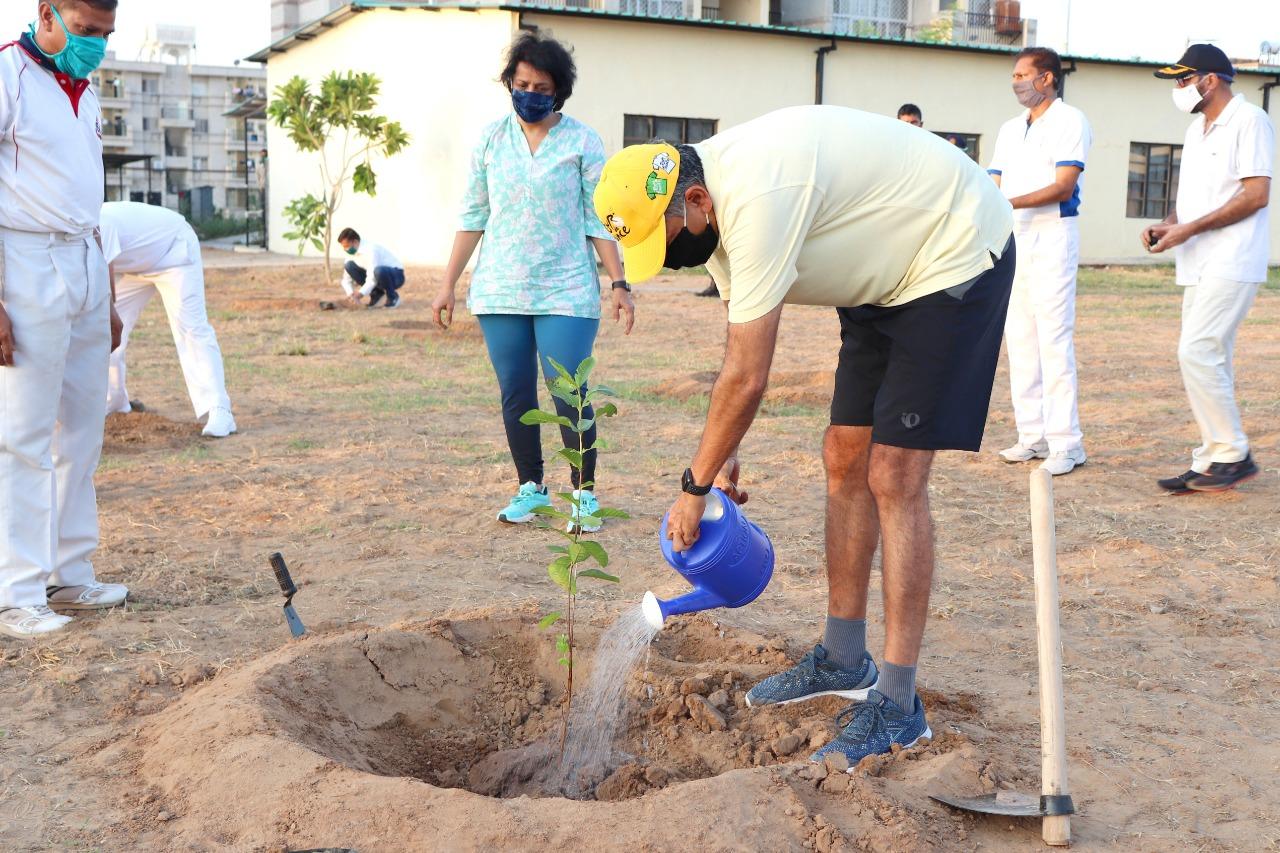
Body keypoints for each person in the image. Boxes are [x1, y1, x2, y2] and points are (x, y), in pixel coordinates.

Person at [594, 105, 1014, 765]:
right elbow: (739, 347)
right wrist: (725, 448)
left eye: (669, 240)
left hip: (952, 247)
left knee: (894, 474)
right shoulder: (714, 206)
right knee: (844, 456)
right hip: (885, 272)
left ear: (697, 199)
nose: (671, 260)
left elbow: (750, 377)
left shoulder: (758, 196)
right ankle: (844, 658)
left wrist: (693, 486)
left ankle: (899, 704)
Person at [431, 32, 634, 532]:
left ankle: (583, 496)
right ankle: (532, 489)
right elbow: (473, 214)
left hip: (566, 287)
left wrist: (619, 284)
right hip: (500, 288)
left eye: (540, 85)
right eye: (520, 83)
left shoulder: (583, 141)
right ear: (509, 83)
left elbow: (597, 219)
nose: (529, 92)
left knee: (569, 391)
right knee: (517, 393)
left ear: (558, 90)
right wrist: (447, 284)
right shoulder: (491, 139)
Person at [0, 0, 128, 640]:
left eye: (104, 35)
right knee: (23, 436)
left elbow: (89, 201)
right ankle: (18, 591)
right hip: (23, 257)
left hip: (83, 259)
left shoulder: (87, 95)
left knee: (81, 427)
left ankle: (70, 570)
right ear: (45, 13)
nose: (94, 45)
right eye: (83, 31)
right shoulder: (6, 76)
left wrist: (104, 292)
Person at [1146, 45, 1272, 494]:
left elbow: (1256, 194)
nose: (1178, 89)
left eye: (1183, 80)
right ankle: (1212, 459)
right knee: (1210, 358)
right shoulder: (1196, 130)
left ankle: (1233, 453)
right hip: (1198, 261)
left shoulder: (1250, 120)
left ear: (1211, 79)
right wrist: (1169, 226)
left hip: (1233, 258)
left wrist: (1189, 228)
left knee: (1196, 351)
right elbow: (1198, 202)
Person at [988, 47, 1092, 476]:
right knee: (1021, 339)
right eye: (1013, 75)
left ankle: (1067, 444)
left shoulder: (1070, 120)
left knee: (1053, 340)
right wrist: (991, 206)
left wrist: (1005, 202)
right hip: (1015, 238)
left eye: (1022, 75)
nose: (1015, 82)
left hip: (1052, 235)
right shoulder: (1010, 128)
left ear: (1046, 78)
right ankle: (1031, 436)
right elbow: (993, 179)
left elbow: (1064, 186)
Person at [100, 201, 236, 438]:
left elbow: (105, 284)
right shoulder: (68, 229)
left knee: (190, 328)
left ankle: (219, 409)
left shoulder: (99, 222)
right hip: (135, 266)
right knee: (102, 332)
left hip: (172, 251)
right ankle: (115, 401)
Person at [337, 227, 406, 309]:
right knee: (349, 265)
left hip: (395, 276)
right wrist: (351, 295)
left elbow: (372, 277)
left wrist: (360, 294)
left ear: (355, 242)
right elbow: (346, 279)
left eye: (347, 246)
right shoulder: (350, 254)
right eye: (343, 247)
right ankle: (377, 295)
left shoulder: (370, 250)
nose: (345, 249)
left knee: (379, 271)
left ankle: (392, 297)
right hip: (377, 276)